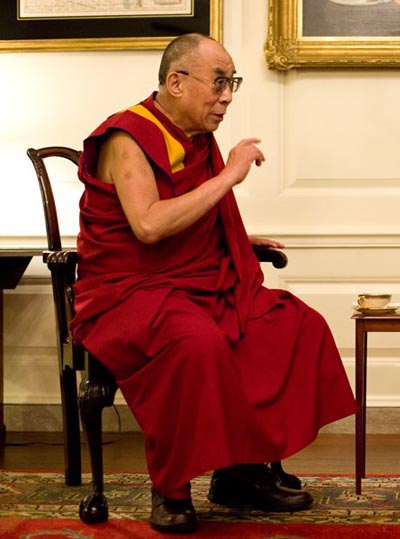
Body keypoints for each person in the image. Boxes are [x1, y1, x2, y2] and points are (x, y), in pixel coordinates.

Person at [70, 33, 357, 534]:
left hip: (193, 283)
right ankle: (172, 487)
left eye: (232, 84)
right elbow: (150, 226)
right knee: (196, 342)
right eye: (219, 83)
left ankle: (241, 472)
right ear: (176, 82)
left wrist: (234, 236)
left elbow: (194, 215)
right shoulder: (127, 137)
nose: (227, 96)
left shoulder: (194, 134)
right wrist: (229, 177)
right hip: (126, 293)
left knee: (291, 324)